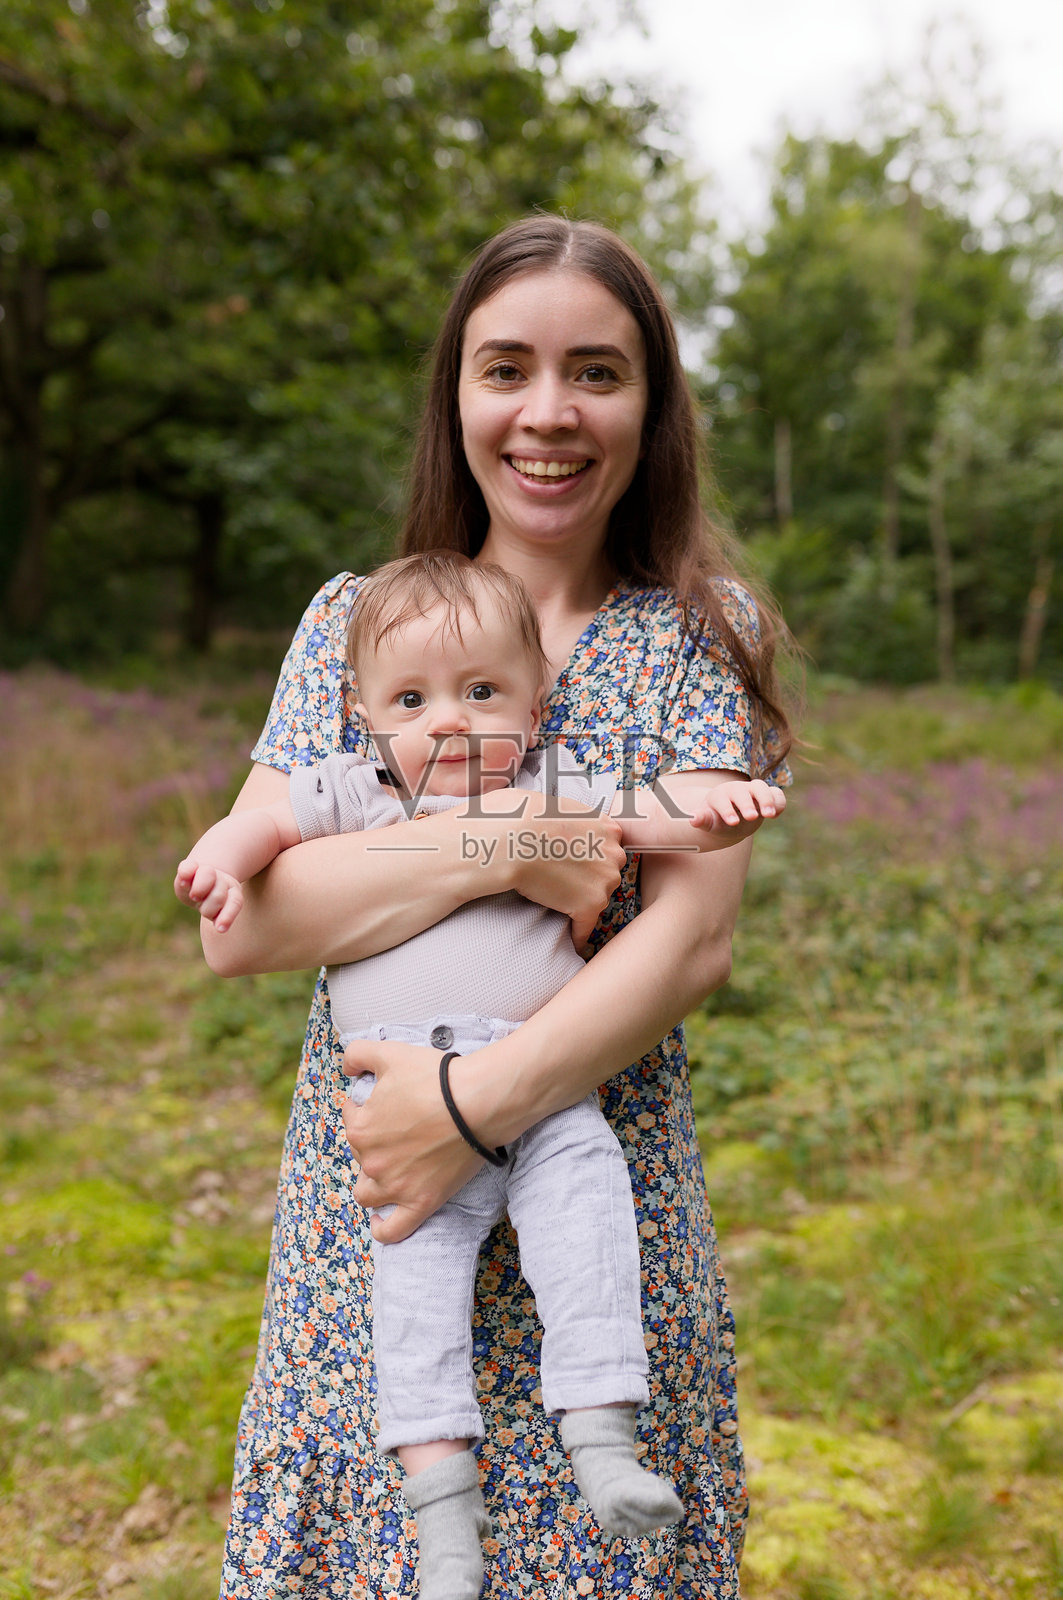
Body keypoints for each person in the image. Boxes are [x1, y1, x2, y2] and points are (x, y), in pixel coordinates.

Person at [203, 215, 792, 1599]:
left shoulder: (707, 631)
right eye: (505, 368)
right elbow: (255, 922)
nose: (547, 413)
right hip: (377, 1211)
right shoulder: (356, 622)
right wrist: (522, 838)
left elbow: (690, 938)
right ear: (454, 396)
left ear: (651, 407)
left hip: (592, 1188)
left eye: (597, 371)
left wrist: (469, 1112)